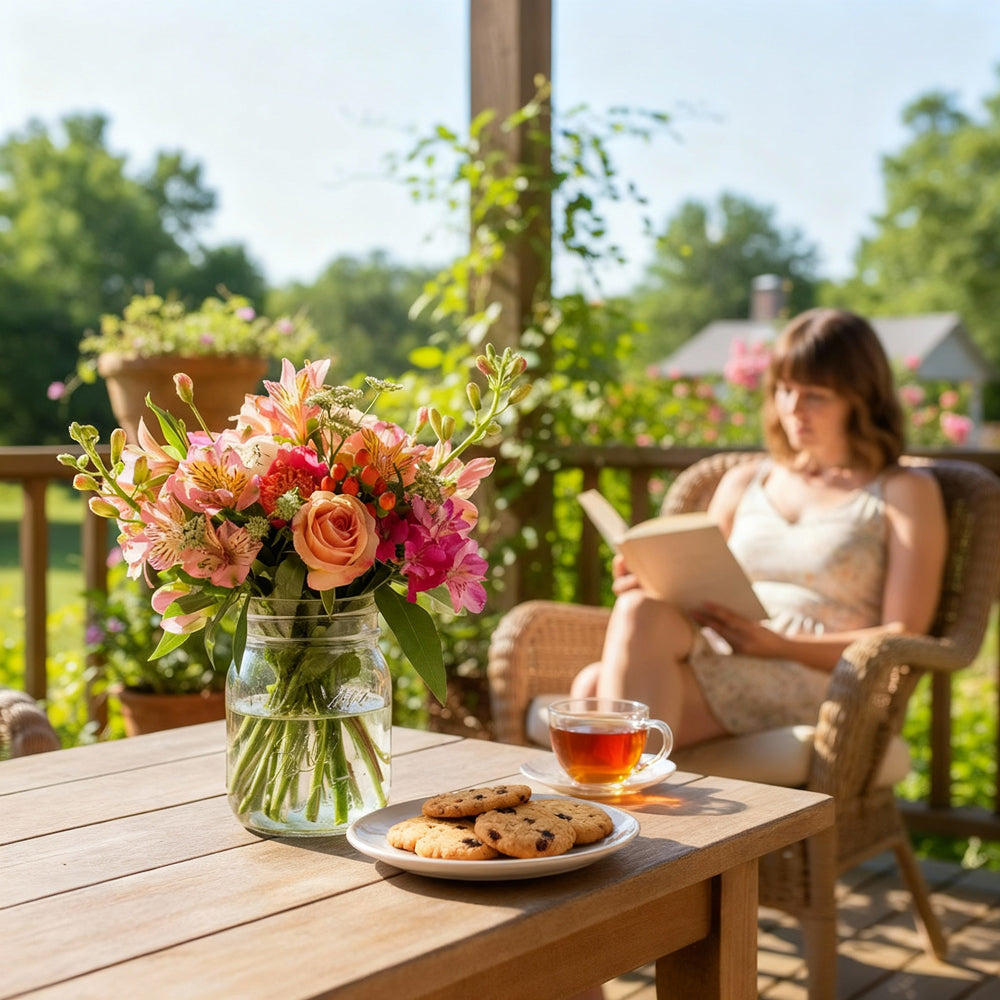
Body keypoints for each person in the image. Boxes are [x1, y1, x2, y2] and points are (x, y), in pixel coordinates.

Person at [570, 307, 948, 750]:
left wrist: (780, 644)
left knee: (595, 692)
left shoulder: (903, 491)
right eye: (785, 390)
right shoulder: (744, 482)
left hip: (818, 673)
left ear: (861, 398)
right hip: (722, 649)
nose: (792, 409)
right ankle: (637, 801)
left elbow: (902, 634)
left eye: (815, 395)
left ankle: (626, 810)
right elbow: (693, 583)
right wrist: (650, 578)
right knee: (638, 610)